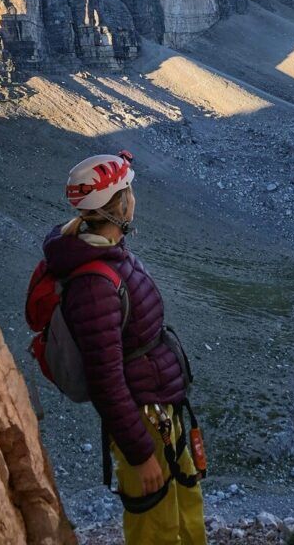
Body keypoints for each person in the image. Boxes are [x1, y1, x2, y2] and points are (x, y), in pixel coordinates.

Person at [42, 151, 207, 545]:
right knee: (157, 527)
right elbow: (105, 379)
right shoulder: (95, 285)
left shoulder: (105, 254)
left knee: (185, 504)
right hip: (143, 420)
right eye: (129, 192)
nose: (134, 199)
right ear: (118, 205)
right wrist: (139, 453)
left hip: (158, 410)